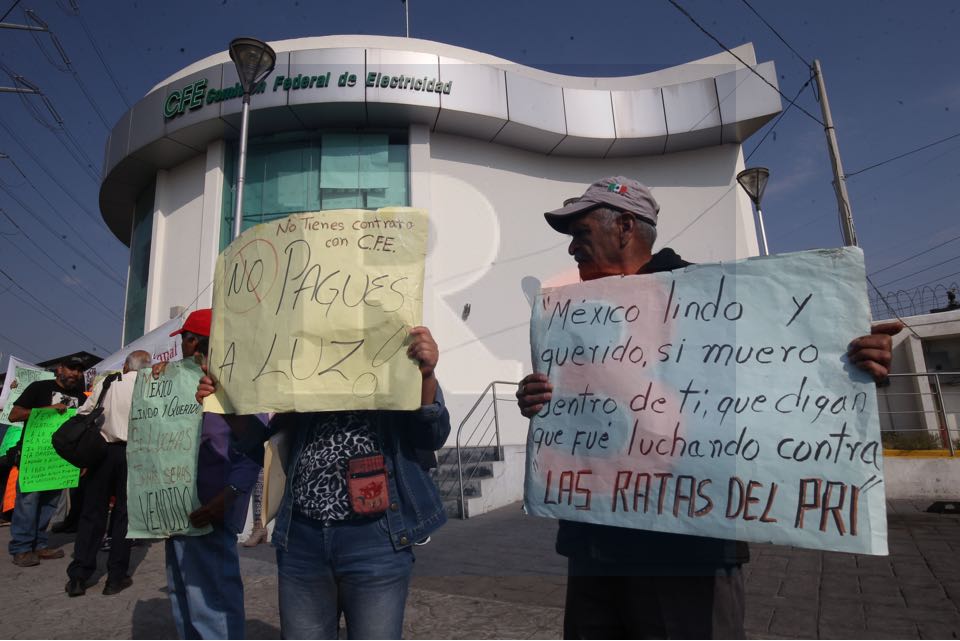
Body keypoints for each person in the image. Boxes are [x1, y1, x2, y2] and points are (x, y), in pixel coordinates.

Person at [515, 176, 902, 639]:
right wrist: (539, 397)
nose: (573, 248)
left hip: (687, 554)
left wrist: (857, 360)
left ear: (624, 227)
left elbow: (792, 371)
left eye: (581, 233)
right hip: (594, 545)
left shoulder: (717, 296)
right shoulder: (572, 318)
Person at [196, 325, 450, 640]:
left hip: (377, 540)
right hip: (302, 541)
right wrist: (223, 403)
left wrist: (426, 375)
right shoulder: (303, 369)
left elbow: (430, 437)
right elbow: (261, 440)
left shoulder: (396, 358)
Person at [159, 309, 261, 639]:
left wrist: (228, 495)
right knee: (183, 593)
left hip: (211, 509)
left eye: (186, 340)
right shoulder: (178, 383)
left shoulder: (237, 384)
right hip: (178, 506)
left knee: (212, 599)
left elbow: (253, 450)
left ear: (200, 343)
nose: (181, 349)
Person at [65, 350, 151, 597]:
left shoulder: (109, 382)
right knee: (124, 515)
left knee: (92, 513)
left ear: (126, 365)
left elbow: (84, 413)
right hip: (134, 454)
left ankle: (79, 576)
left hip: (102, 452)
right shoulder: (152, 388)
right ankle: (115, 577)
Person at [7, 356, 88, 567]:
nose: (75, 374)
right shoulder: (39, 388)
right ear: (59, 369)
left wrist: (81, 460)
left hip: (59, 462)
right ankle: (22, 548)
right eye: (71, 368)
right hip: (34, 458)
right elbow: (14, 415)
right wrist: (45, 411)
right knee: (27, 502)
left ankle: (40, 545)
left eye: (79, 371)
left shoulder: (80, 397)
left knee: (49, 504)